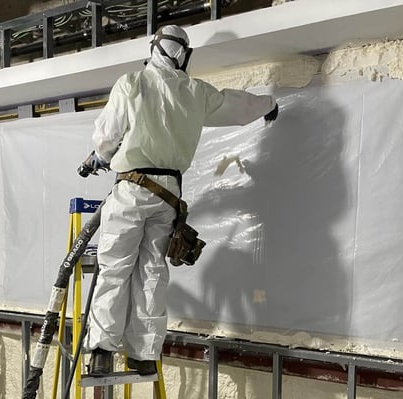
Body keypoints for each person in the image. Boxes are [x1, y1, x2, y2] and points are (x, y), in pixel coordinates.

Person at [82, 24, 278, 376]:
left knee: (115, 269)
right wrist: (269, 104)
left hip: (131, 190)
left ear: (154, 48)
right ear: (184, 55)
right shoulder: (194, 92)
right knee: (152, 272)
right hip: (168, 196)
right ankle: (143, 355)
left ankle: (101, 351)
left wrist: (101, 155)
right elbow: (235, 105)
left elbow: (106, 137)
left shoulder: (132, 83)